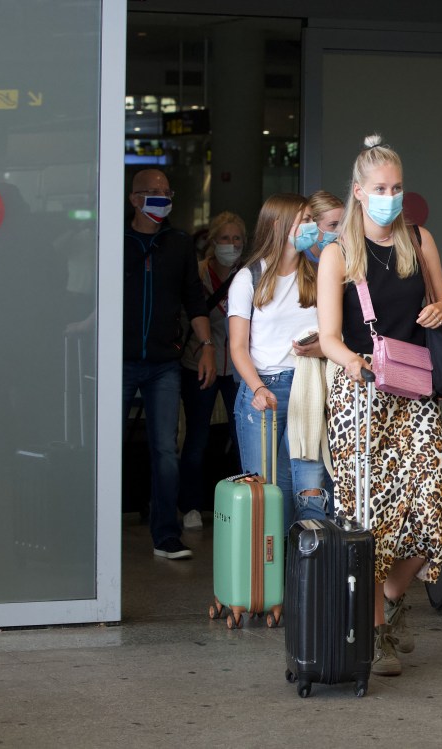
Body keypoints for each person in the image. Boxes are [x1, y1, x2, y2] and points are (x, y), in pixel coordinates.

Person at [317, 133, 442, 677]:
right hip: (360, 395)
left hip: (413, 391)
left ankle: (394, 601)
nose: (390, 197)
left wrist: (441, 311)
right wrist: (352, 361)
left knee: (433, 501)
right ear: (358, 192)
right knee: (369, 517)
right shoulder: (337, 254)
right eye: (380, 188)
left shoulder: (419, 240)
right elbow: (327, 335)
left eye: (396, 187)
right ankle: (374, 634)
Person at [123, 168, 216, 560]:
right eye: (152, 192)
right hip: (120, 360)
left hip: (163, 362)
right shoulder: (117, 239)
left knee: (165, 448)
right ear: (134, 199)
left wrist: (207, 344)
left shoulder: (178, 244)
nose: (161, 198)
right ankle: (99, 532)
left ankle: (165, 535)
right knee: (108, 446)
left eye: (167, 191)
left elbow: (193, 299)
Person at [228, 194, 332, 531]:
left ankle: (303, 574)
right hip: (263, 392)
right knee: (265, 493)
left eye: (311, 220)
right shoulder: (249, 278)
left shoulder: (316, 275)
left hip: (308, 388)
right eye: (304, 219)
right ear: (278, 224)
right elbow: (238, 347)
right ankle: (267, 576)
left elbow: (333, 335)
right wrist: (257, 388)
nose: (311, 227)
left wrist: (319, 348)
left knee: (306, 491)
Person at [178, 211, 245, 530]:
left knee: (241, 435)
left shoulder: (248, 274)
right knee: (197, 435)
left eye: (236, 239)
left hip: (237, 365)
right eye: (224, 238)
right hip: (198, 362)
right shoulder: (199, 274)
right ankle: (190, 505)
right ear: (211, 241)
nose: (230, 245)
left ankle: (240, 504)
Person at [305, 189, 345, 261]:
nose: (341, 231)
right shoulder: (297, 261)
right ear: (312, 227)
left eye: (344, 224)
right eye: (334, 225)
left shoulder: (343, 259)